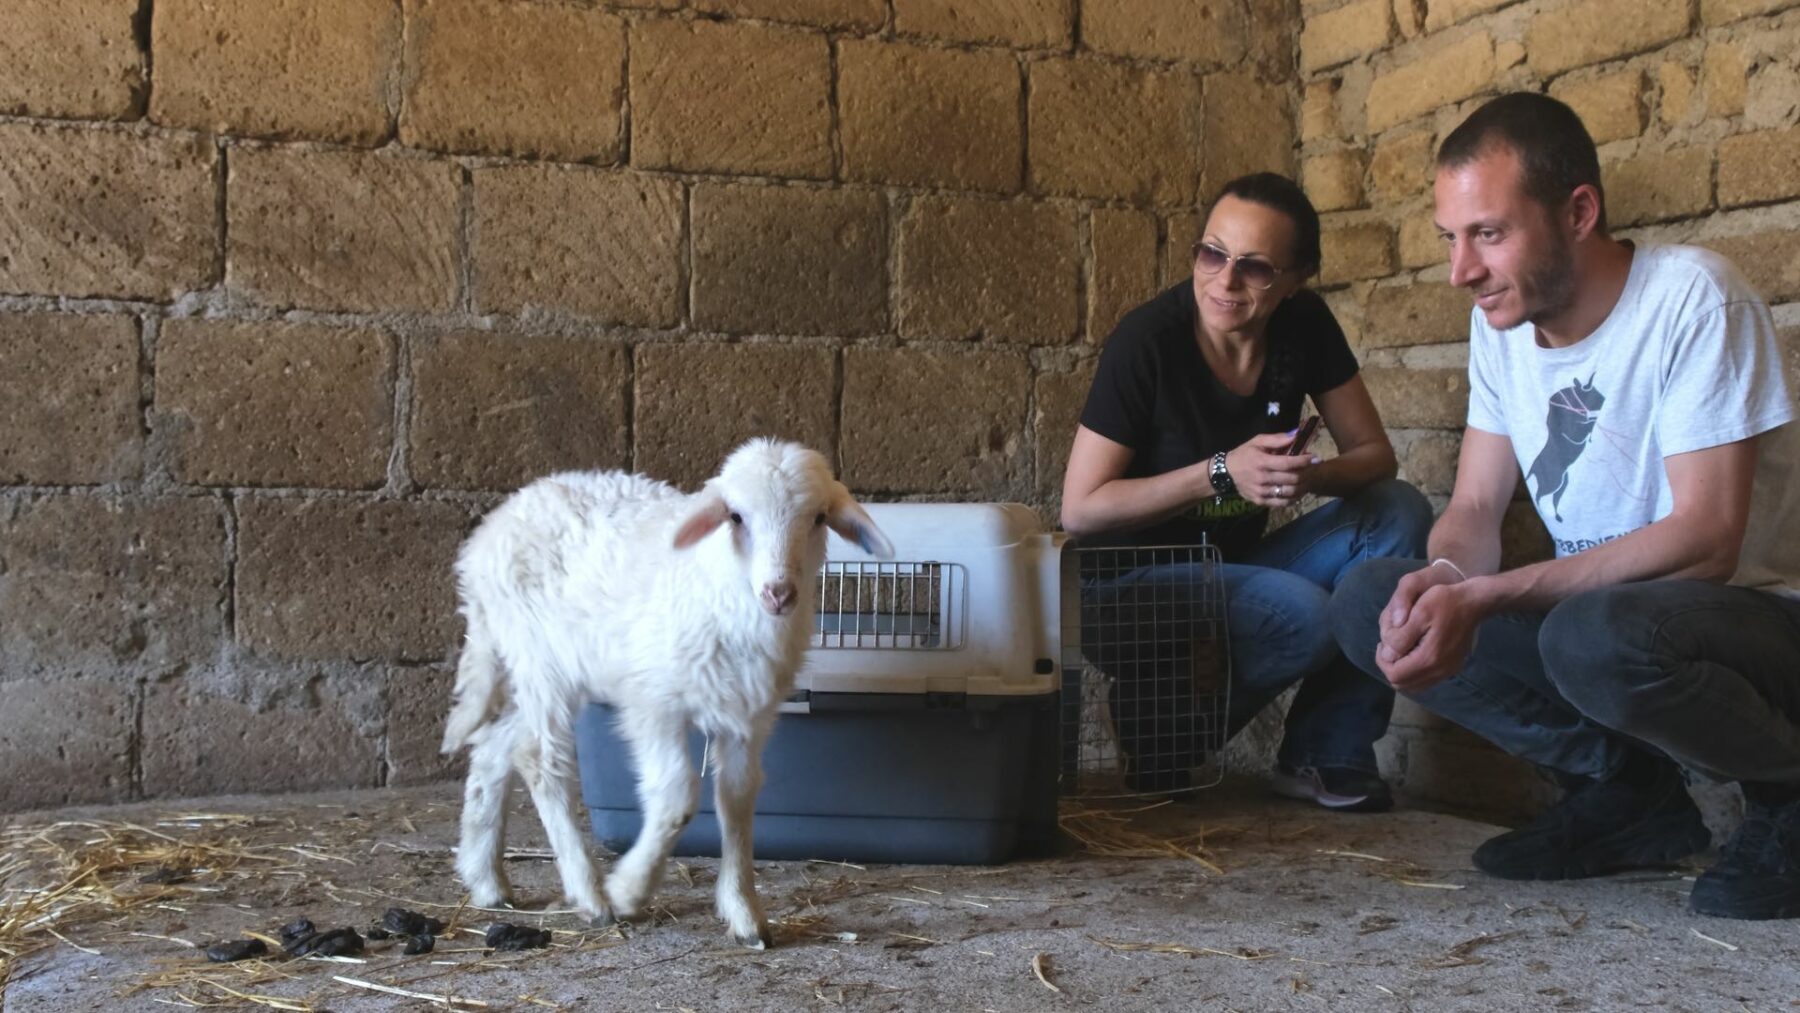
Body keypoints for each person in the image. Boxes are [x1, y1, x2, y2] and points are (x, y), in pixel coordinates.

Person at [1328, 92, 1800, 920]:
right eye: (1452, 237)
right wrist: (1444, 578)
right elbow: (1476, 502)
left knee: (1591, 633)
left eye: (1490, 233)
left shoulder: (1694, 299)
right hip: (1615, 627)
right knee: (1371, 598)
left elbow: (1707, 541)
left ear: (1578, 211)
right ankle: (1631, 792)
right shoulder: (1501, 325)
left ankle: (1788, 793)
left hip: (1760, 629)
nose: (1460, 271)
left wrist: (1493, 594)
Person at [1061, 172, 1432, 812]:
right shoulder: (1147, 341)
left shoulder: (1305, 325)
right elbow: (1081, 509)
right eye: (1213, 254)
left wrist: (1303, 477)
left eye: (1254, 268)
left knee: (1398, 511)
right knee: (1310, 615)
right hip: (1121, 584)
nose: (1224, 282)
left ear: (1296, 279)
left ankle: (1325, 751)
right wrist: (1220, 471)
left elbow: (1375, 457)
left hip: (1227, 568)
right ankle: (1163, 732)